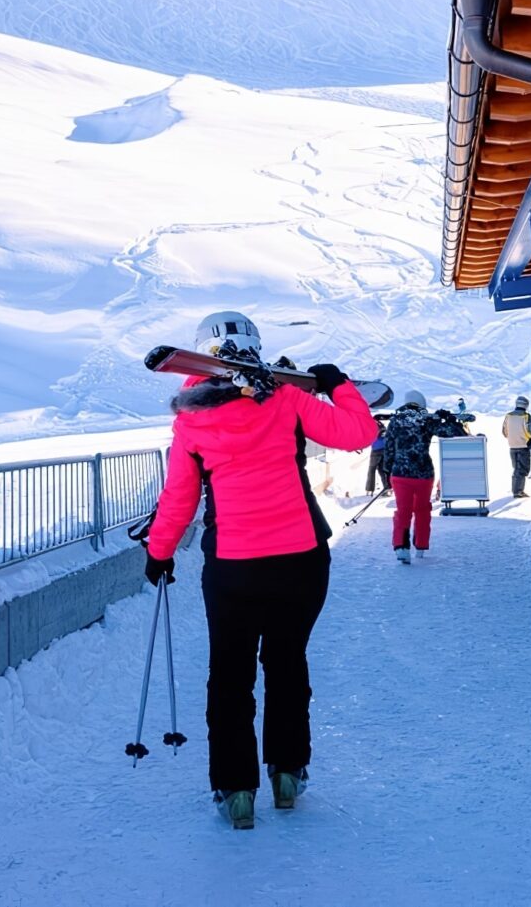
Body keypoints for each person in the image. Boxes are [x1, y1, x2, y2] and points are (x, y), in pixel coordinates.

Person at [143, 310, 375, 831]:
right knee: (287, 664)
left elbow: (179, 497)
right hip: (301, 561)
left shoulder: (190, 421)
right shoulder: (290, 399)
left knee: (230, 675)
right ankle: (288, 774)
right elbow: (358, 431)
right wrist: (336, 385)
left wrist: (158, 555)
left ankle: (235, 789)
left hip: (233, 567)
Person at [382, 391, 457, 563]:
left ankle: (401, 547)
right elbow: (451, 432)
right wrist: (447, 418)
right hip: (424, 474)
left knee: (403, 511)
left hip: (400, 473)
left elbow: (389, 449)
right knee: (422, 510)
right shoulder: (426, 419)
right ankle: (421, 545)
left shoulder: (396, 420)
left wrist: (388, 471)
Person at [502, 395, 531, 498]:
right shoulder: (526, 416)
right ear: (526, 405)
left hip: (512, 446)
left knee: (516, 469)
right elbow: (529, 431)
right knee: (522, 469)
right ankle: (518, 492)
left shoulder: (508, 415)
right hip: (523, 445)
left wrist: (512, 438)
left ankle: (517, 490)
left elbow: (504, 431)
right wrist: (529, 439)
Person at [365, 416, 388, 495]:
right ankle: (387, 487)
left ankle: (369, 489)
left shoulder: (370, 424)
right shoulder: (380, 424)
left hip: (376, 450)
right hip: (384, 449)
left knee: (372, 469)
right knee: (382, 470)